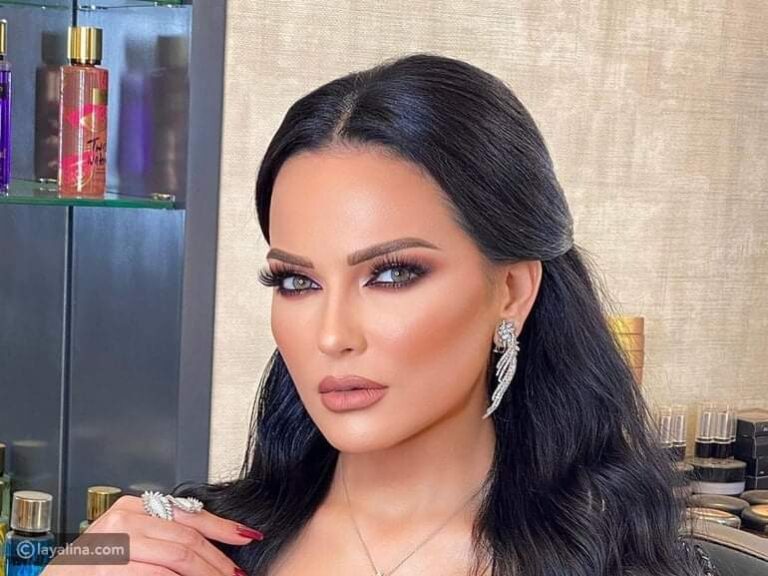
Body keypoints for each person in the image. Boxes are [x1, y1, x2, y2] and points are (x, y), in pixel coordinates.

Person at [42, 53, 719, 576]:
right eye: (297, 281)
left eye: (392, 274)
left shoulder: (619, 559)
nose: (332, 335)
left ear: (512, 289)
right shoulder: (193, 545)